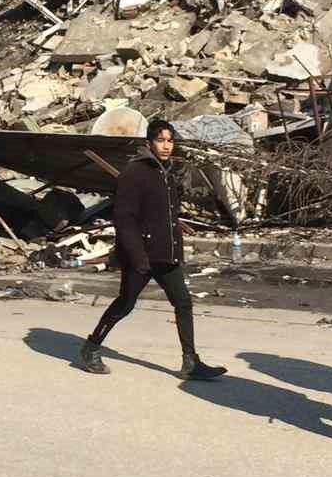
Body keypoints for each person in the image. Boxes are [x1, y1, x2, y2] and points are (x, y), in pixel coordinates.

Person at [78, 117, 226, 382]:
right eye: (161, 140)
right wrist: (136, 256)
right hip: (142, 255)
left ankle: (191, 362)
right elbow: (124, 217)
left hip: (166, 254)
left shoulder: (166, 171)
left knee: (183, 302)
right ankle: (90, 348)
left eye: (170, 141)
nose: (167, 146)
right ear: (149, 143)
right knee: (125, 303)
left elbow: (167, 215)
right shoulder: (135, 172)